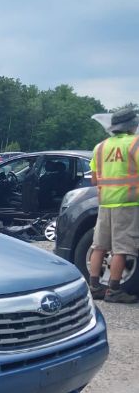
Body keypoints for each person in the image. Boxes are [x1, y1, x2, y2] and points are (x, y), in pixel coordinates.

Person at [88, 106, 139, 303]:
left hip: (105, 203)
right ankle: (114, 291)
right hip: (127, 202)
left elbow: (94, 179)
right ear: (132, 126)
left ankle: (94, 287)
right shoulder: (134, 144)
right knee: (122, 248)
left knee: (99, 246)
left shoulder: (100, 147)